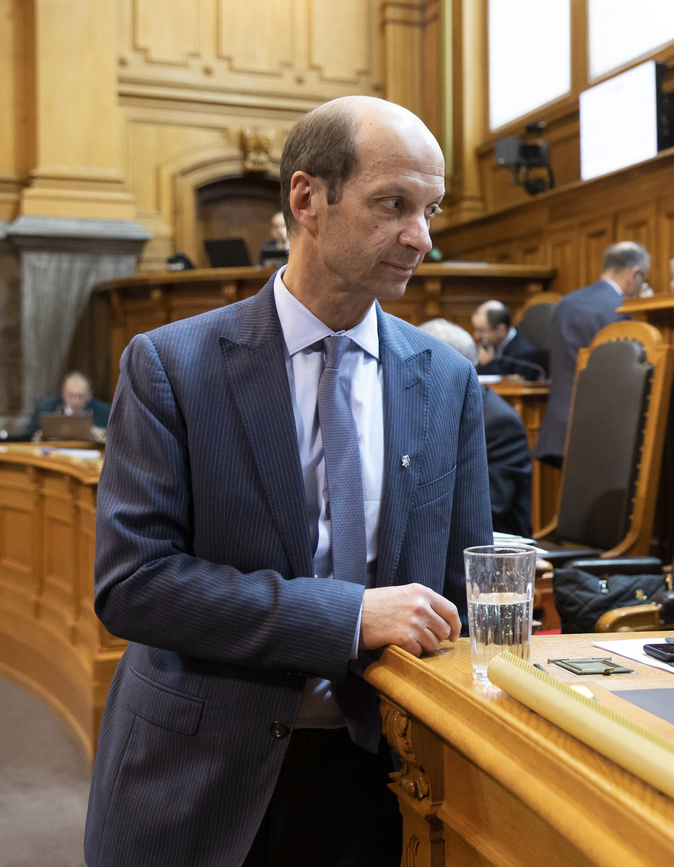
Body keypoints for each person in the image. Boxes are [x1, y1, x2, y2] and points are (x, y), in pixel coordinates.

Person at [84, 96, 492, 867]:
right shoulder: (172, 365)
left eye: (429, 208)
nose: (422, 236)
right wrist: (347, 614)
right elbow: (133, 584)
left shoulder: (447, 380)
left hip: (381, 778)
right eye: (393, 205)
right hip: (199, 772)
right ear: (308, 199)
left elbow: (460, 589)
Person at [535, 241, 648, 466]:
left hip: (558, 428)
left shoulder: (567, 302)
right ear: (634, 274)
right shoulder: (621, 310)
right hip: (598, 433)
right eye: (644, 279)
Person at [420, 317, 533, 537]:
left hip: (491, 553)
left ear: (449, 369)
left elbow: (488, 507)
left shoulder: (499, 422)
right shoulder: (422, 407)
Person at [24, 371, 111, 442]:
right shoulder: (45, 407)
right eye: (71, 396)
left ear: (89, 395)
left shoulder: (105, 411)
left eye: (81, 396)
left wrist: (101, 435)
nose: (75, 401)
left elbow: (114, 441)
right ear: (63, 394)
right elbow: (27, 436)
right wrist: (37, 437)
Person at [471, 299, 543, 380]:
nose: (476, 336)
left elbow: (515, 387)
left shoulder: (524, 354)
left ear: (501, 330)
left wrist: (489, 364)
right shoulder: (487, 346)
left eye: (481, 330)